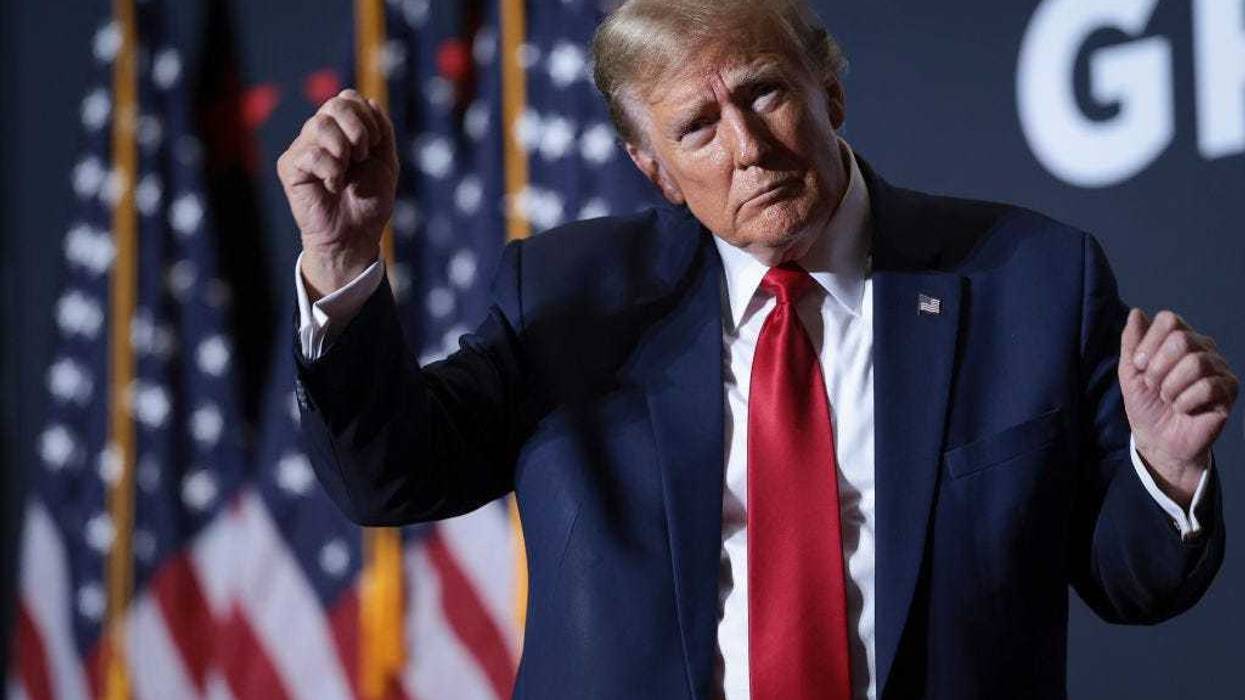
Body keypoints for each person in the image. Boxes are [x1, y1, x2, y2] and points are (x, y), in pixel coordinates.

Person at [276, 1, 1238, 698]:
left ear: (830, 89)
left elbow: (1130, 578)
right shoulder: (572, 299)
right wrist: (341, 262)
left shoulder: (1028, 278)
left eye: (764, 92)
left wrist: (1163, 470)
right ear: (654, 170)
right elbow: (390, 476)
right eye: (697, 127)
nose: (746, 146)